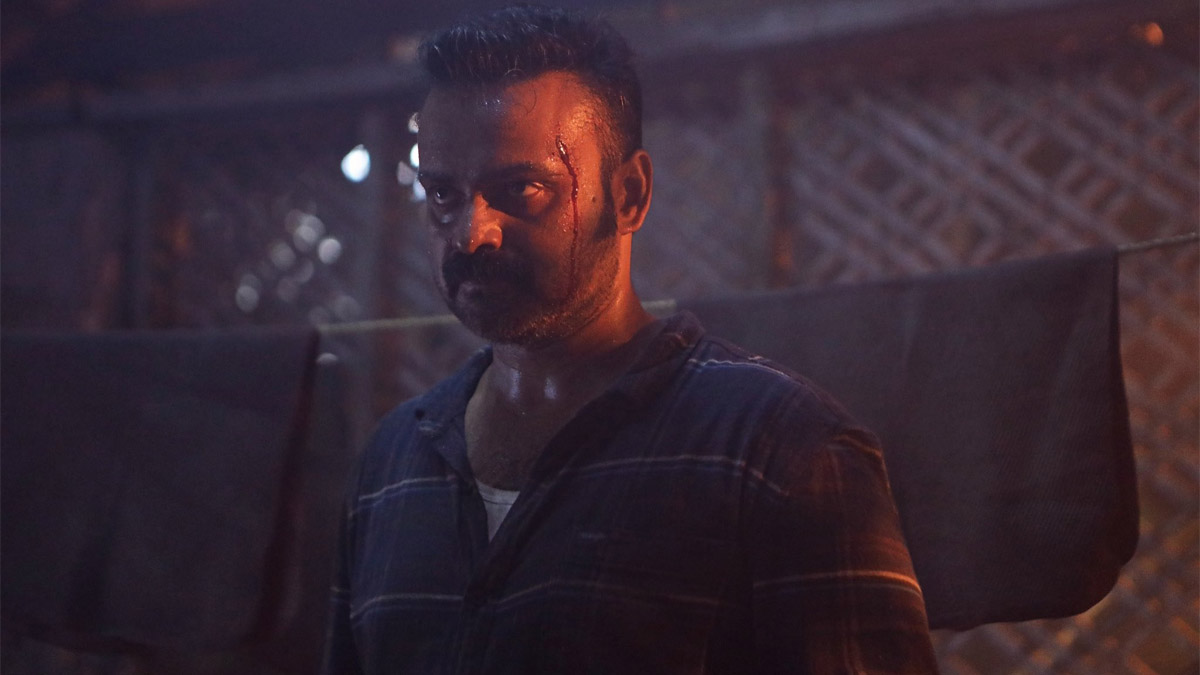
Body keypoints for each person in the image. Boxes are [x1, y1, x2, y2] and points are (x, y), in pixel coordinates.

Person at [322, 5, 938, 673]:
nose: (473, 233)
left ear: (630, 194)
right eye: (444, 195)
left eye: (521, 188)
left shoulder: (780, 450)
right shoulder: (393, 463)